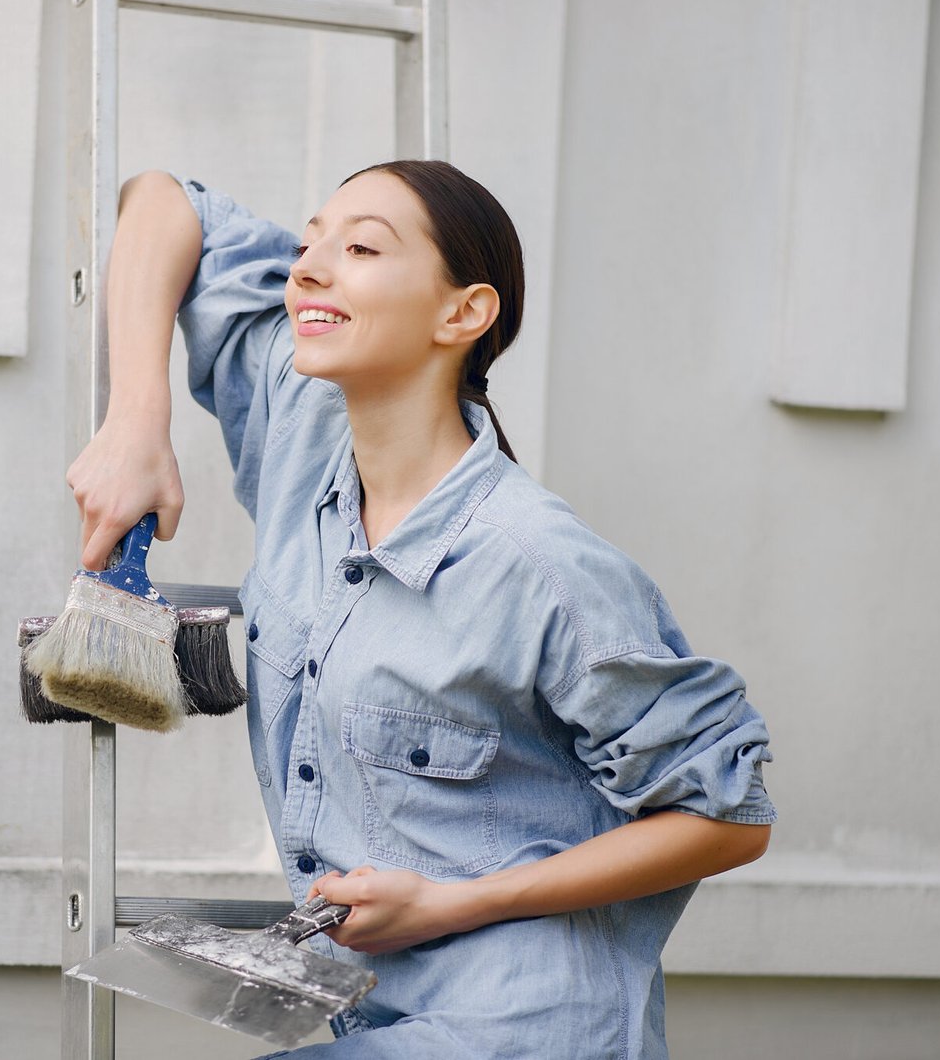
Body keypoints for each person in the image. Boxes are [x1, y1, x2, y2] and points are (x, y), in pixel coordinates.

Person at [65, 162, 776, 1058]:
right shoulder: (304, 425)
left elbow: (728, 817)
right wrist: (137, 418)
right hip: (371, 1013)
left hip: (527, 1028)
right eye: (314, 239)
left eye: (359, 247)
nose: (309, 265)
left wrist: (455, 902)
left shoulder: (541, 566)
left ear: (463, 314)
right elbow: (163, 202)